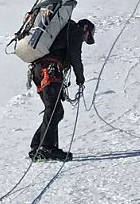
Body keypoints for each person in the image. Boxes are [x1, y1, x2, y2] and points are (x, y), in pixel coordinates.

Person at [28, 18, 95, 161]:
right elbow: (75, 55)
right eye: (88, 36)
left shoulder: (62, 31)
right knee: (53, 109)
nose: (85, 39)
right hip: (50, 71)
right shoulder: (76, 31)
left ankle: (38, 145)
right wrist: (80, 78)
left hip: (39, 71)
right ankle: (46, 147)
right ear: (86, 29)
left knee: (55, 110)